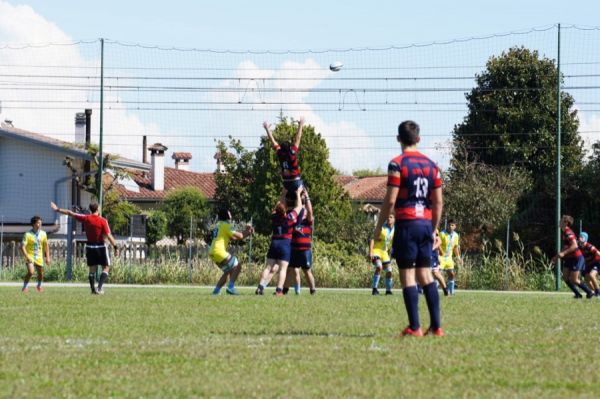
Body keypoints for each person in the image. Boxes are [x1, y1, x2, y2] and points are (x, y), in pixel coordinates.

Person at [374, 120, 444, 337]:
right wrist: (434, 229)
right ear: (419, 139)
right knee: (426, 274)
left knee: (408, 276)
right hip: (425, 224)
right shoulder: (433, 166)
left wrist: (378, 227)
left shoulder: (397, 164)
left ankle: (414, 327)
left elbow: (390, 200)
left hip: (406, 224)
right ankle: (436, 327)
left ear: (398, 139)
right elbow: (439, 202)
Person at [50, 201, 119, 295]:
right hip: (101, 247)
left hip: (90, 247)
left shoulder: (86, 218)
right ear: (98, 208)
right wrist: (116, 247)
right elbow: (108, 235)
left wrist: (57, 209)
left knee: (92, 270)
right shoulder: (103, 220)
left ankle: (92, 290)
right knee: (106, 268)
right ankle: (99, 288)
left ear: (90, 209)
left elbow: (70, 213)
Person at [256, 190, 302, 296]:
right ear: (285, 210)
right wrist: (298, 194)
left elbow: (277, 206)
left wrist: (283, 194)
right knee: (283, 269)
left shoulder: (274, 217)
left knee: (268, 267)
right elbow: (298, 207)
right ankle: (279, 290)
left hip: (274, 243)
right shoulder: (289, 218)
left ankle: (260, 287)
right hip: (285, 244)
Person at [208, 208, 254, 295]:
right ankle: (231, 287)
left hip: (212, 252)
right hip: (219, 251)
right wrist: (248, 231)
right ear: (226, 215)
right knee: (238, 266)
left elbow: (233, 237)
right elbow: (240, 236)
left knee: (228, 271)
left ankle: (216, 291)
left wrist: (247, 232)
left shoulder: (219, 224)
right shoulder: (226, 225)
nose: (231, 215)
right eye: (229, 213)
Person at [552, 215, 594, 299]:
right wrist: (556, 257)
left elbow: (575, 245)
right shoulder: (565, 233)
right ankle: (578, 294)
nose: (559, 221)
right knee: (565, 277)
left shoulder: (568, 232)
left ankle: (589, 292)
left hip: (576, 258)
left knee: (574, 280)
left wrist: (564, 253)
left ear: (566, 223)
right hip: (570, 258)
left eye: (561, 220)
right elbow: (566, 247)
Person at [284, 189, 317, 295]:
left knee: (307, 270)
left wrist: (306, 196)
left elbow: (310, 211)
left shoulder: (307, 217)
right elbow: (284, 207)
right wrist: (287, 193)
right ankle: (284, 290)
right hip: (293, 248)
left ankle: (313, 290)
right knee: (290, 269)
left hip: (305, 250)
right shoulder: (293, 214)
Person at [263, 117, 305, 193]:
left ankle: (280, 202)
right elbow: (298, 138)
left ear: (281, 148)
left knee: (284, 196)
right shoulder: (292, 153)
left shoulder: (279, 153)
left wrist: (267, 129)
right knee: (305, 193)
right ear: (289, 148)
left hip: (286, 183)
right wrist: (301, 124)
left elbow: (273, 141)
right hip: (295, 181)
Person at [20, 215, 51, 293]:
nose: (40, 224)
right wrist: (27, 256)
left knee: (41, 273)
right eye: (38, 223)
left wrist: (47, 257)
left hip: (39, 257)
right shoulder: (27, 234)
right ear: (33, 224)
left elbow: (46, 246)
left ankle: (39, 286)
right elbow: (22, 247)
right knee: (31, 271)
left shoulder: (43, 234)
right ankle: (25, 287)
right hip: (30, 256)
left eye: (41, 223)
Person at [369, 213, 395, 295]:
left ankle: (388, 290)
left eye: (391, 217)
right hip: (376, 250)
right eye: (388, 217)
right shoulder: (381, 228)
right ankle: (374, 289)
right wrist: (370, 251)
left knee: (389, 271)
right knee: (379, 266)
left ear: (394, 219)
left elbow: (393, 243)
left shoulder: (395, 230)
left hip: (385, 253)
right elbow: (372, 239)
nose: (389, 218)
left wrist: (392, 252)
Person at [439, 219, 462, 295]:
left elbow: (455, 247)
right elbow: (437, 244)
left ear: (455, 226)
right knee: (438, 275)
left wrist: (458, 257)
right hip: (441, 257)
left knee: (451, 274)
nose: (450, 226)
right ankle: (431, 290)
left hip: (449, 258)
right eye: (449, 225)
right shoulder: (442, 234)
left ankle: (451, 291)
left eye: (452, 225)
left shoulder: (456, 235)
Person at [578, 232, 600, 297]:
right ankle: (595, 292)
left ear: (585, 239)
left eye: (581, 237)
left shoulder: (589, 247)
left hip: (596, 263)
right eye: (579, 236)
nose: (579, 238)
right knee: (587, 279)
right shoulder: (579, 248)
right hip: (588, 264)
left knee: (591, 275)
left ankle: (598, 293)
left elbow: (598, 253)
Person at [431, 229, 449, 296]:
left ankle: (446, 291)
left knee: (435, 273)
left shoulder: (434, 229)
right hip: (423, 253)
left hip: (432, 254)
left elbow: (439, 241)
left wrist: (432, 248)